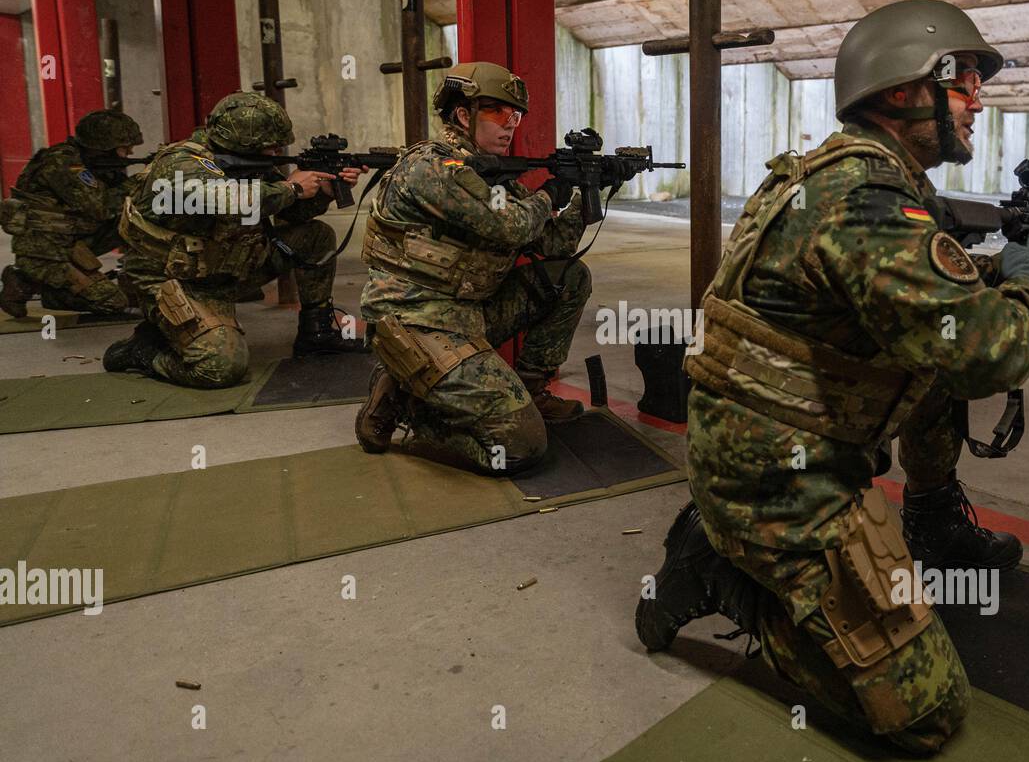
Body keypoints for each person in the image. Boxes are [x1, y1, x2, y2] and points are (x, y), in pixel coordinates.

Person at [636, 0, 1029, 754]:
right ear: (905, 90)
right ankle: (718, 572)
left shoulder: (853, 176)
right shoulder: (868, 199)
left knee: (925, 358)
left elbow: (913, 295)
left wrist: (1006, 265)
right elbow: (989, 352)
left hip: (783, 434)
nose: (979, 98)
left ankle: (930, 519)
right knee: (925, 711)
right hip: (773, 472)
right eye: (963, 80)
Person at [354, 61, 590, 475]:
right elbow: (512, 223)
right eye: (499, 113)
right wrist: (552, 191)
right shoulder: (433, 167)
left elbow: (552, 243)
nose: (510, 125)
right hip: (417, 319)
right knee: (521, 448)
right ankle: (409, 403)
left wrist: (588, 194)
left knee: (569, 277)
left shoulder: (488, 173)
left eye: (515, 116)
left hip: (468, 311)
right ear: (464, 115)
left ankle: (530, 388)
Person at [103, 92, 366, 387]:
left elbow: (287, 215)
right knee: (221, 367)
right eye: (270, 148)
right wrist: (291, 187)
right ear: (244, 143)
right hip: (174, 280)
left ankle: (316, 333)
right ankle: (144, 351)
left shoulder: (249, 162)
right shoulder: (179, 163)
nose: (275, 153)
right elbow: (230, 201)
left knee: (316, 236)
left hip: (227, 267)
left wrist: (321, 195)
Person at [1, 110, 144, 318]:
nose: (129, 152)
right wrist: (143, 181)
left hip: (67, 241)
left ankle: (26, 279)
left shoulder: (87, 161)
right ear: (102, 146)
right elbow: (100, 206)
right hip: (44, 250)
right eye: (124, 147)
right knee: (112, 302)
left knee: (136, 220)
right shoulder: (63, 163)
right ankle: (43, 287)